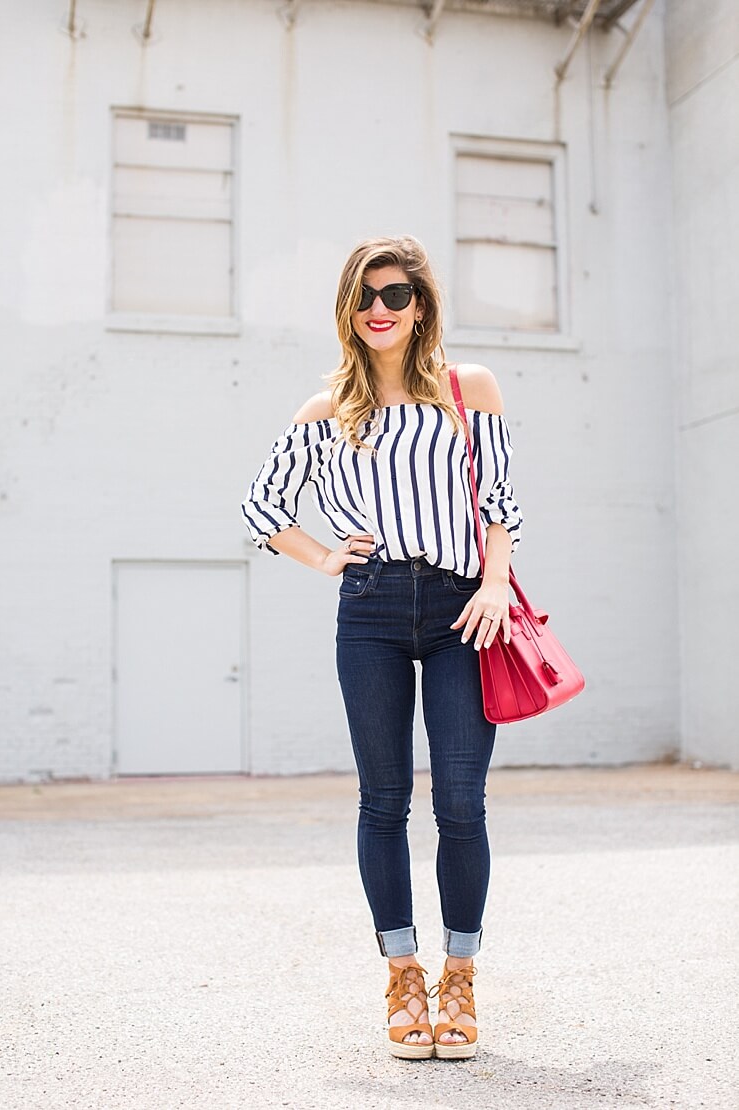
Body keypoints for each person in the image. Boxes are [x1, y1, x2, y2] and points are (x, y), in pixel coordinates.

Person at [242, 235, 523, 1060]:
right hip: (368, 610)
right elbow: (264, 509)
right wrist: (327, 556)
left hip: (460, 610)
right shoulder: (327, 410)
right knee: (383, 799)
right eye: (366, 295)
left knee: (461, 801)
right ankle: (403, 975)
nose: (380, 309)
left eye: (396, 294)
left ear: (422, 305)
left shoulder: (469, 391)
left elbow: (501, 502)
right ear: (348, 307)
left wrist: (496, 584)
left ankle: (460, 976)